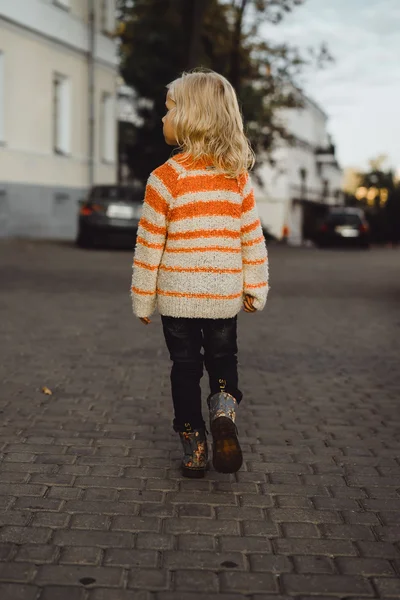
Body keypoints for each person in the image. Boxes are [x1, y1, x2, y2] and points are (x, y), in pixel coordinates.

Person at [131, 69, 269, 478]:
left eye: (169, 109)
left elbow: (149, 245)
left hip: (177, 297)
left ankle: (194, 444)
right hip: (222, 296)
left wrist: (143, 297)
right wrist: (255, 288)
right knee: (223, 358)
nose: (162, 118)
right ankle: (224, 409)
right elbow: (252, 238)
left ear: (191, 117)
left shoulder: (165, 178)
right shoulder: (235, 178)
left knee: (185, 368)